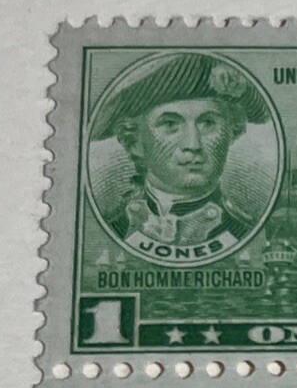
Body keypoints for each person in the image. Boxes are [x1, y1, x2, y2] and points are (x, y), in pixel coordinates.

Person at [90, 53, 271, 255]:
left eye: (208, 123)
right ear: (134, 141)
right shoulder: (111, 228)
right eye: (170, 124)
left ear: (231, 133)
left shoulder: (247, 234)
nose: (193, 144)